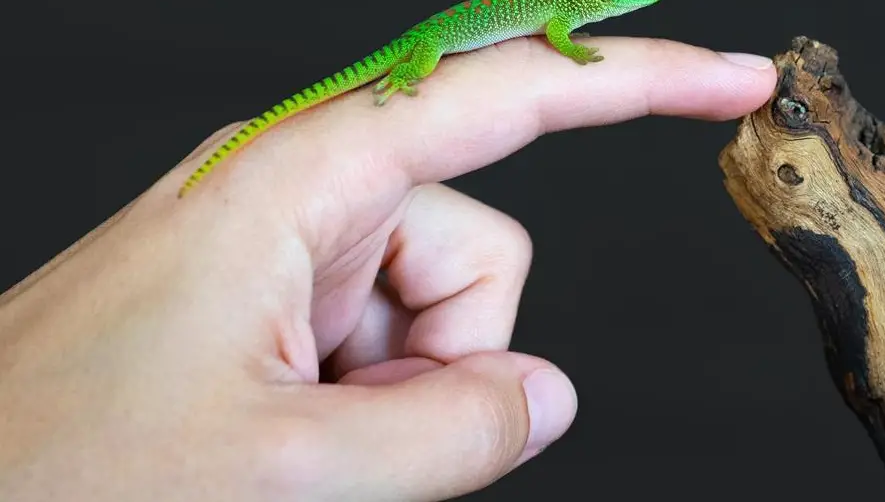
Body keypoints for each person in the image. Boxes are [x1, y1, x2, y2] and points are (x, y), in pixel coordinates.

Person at [0, 36, 776, 501]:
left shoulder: (564, 2)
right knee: (378, 82)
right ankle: (401, 76)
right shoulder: (569, 13)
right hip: (415, 49)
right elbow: (566, 45)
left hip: (420, 42)